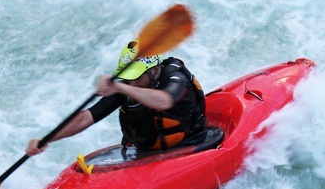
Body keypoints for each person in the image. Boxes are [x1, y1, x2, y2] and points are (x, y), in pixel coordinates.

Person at [26, 41, 207, 156]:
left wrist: (118, 86)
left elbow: (163, 100)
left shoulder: (175, 78)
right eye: (128, 77)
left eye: (137, 76)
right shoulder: (129, 85)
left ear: (154, 70)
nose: (132, 83)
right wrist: (47, 139)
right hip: (144, 154)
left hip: (188, 147)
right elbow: (86, 117)